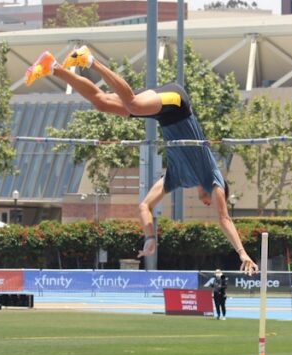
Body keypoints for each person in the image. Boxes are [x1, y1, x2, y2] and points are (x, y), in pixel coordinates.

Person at [25, 47, 258, 276]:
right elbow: (224, 218)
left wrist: (149, 237)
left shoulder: (177, 178)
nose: (211, 204)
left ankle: (52, 67)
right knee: (133, 103)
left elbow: (144, 206)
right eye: (217, 201)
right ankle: (89, 60)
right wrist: (242, 253)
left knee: (102, 103)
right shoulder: (213, 179)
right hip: (177, 105)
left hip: (163, 115)